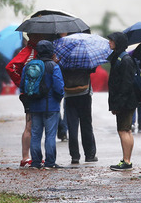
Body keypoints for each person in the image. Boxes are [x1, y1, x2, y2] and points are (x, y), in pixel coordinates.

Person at [19, 40, 65, 169]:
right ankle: (50, 163)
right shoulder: (53, 66)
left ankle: (35, 162)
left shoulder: (29, 65)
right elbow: (59, 87)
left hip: (34, 105)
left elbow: (22, 85)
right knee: (50, 135)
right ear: (51, 51)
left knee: (36, 134)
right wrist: (58, 98)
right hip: (51, 106)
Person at [6, 33, 46, 167]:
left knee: (36, 125)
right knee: (30, 125)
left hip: (38, 93)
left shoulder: (42, 50)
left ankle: (34, 156)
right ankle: (25, 156)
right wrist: (21, 83)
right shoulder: (28, 51)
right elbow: (11, 67)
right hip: (30, 93)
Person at [106, 32, 141, 171]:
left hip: (126, 102)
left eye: (111, 40)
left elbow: (126, 84)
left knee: (124, 130)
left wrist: (119, 105)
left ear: (118, 42)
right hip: (126, 101)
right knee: (126, 130)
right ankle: (126, 159)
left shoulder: (125, 60)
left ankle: (126, 161)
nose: (109, 42)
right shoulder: (119, 57)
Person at [60, 65, 98, 165]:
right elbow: (93, 69)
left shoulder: (64, 58)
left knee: (72, 127)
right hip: (84, 94)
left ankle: (75, 156)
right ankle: (89, 155)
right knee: (86, 125)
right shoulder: (85, 57)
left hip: (69, 95)